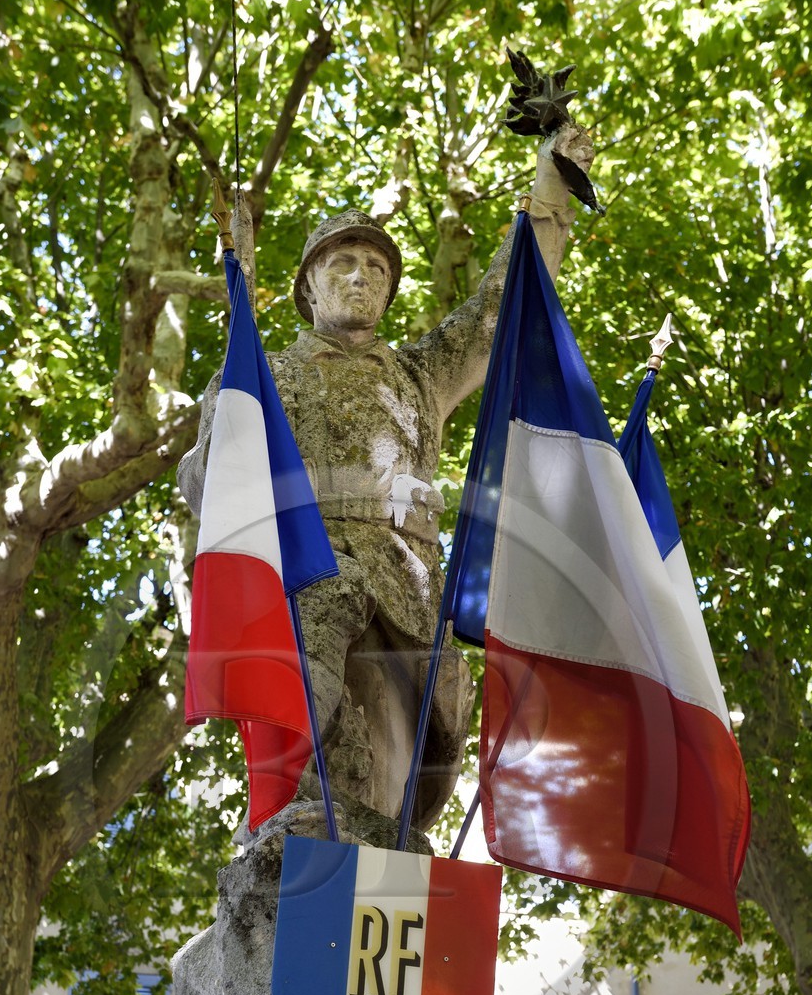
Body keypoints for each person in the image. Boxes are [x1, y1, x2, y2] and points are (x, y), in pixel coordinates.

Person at [179, 124, 593, 832]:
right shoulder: (262, 374)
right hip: (308, 579)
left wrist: (552, 188)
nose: (360, 278)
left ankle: (377, 874)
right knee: (316, 766)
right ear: (307, 286)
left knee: (396, 782)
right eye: (341, 264)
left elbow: (500, 309)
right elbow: (204, 485)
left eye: (376, 269)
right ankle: (292, 837)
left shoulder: (416, 375)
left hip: (404, 589)